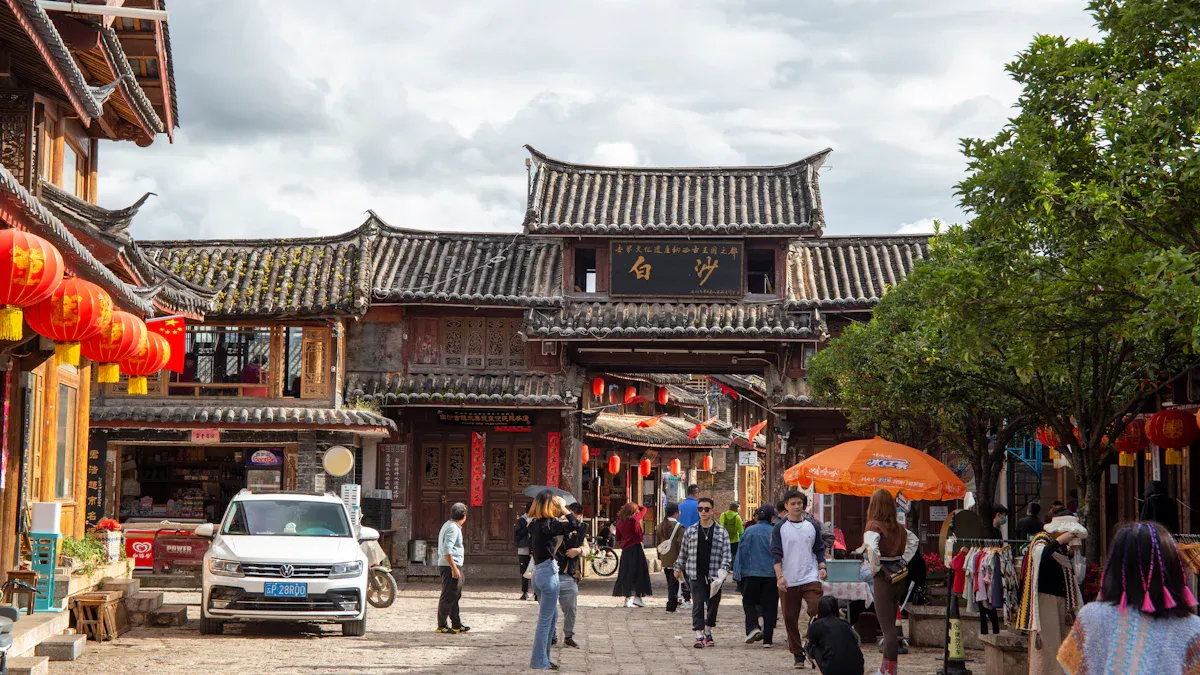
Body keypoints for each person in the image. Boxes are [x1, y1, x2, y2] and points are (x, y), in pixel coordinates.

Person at [1057, 521, 1200, 674]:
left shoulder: (1092, 617)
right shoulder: (1192, 629)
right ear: (1173, 567)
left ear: (1114, 567)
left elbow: (1071, 665)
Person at [1017, 509, 1085, 675]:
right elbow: (1040, 556)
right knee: (1048, 643)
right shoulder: (1042, 539)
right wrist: (1060, 541)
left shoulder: (1060, 546)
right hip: (1045, 599)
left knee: (1064, 641)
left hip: (1062, 599)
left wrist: (1069, 551)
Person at [861, 489, 920, 675]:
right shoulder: (899, 528)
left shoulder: (873, 526)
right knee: (890, 625)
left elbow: (872, 549)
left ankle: (891, 671)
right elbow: (914, 541)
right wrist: (903, 560)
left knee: (887, 628)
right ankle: (884, 668)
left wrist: (875, 567)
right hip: (899, 576)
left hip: (883, 578)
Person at [771, 489, 828, 669]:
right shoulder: (780, 528)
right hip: (789, 578)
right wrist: (780, 577)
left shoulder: (812, 525)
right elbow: (776, 554)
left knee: (817, 608)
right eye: (793, 504)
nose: (797, 506)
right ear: (786, 506)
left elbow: (819, 548)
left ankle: (812, 642)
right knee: (790, 617)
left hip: (810, 575)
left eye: (799, 503)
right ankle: (797, 654)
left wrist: (822, 566)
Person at [527, 491, 580, 671]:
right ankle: (538, 660)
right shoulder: (549, 525)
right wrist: (564, 508)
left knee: (552, 617)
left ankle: (545, 659)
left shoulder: (535, 523)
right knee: (545, 620)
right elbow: (575, 524)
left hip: (538, 573)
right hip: (548, 573)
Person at [674, 496, 732, 649]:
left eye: (706, 509)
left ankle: (708, 630)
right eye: (700, 509)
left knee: (713, 605)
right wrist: (677, 567)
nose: (703, 512)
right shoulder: (691, 531)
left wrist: (724, 571)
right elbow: (683, 552)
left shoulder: (721, 532)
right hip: (695, 573)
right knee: (698, 603)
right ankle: (699, 634)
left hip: (715, 575)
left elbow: (727, 555)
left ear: (712, 511)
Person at [734, 504, 779, 648]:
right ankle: (768, 640)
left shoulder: (749, 531)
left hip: (751, 574)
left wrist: (737, 574)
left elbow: (741, 553)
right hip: (772, 575)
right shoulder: (775, 532)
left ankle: (753, 627)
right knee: (770, 606)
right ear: (771, 517)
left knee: (749, 602)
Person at [552, 502, 587, 649]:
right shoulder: (553, 526)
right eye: (572, 516)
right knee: (550, 609)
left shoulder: (580, 529)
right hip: (551, 574)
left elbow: (587, 550)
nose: (574, 520)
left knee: (571, 608)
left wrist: (578, 550)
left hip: (568, 575)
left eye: (577, 518)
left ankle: (568, 636)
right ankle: (551, 636)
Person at [805, 596, 865, 675]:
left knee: (810, 646)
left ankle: (821, 672)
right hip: (857, 669)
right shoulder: (845, 624)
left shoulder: (816, 625)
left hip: (832, 669)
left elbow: (812, 641)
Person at [435, 502, 469, 634]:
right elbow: (447, 550)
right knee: (448, 595)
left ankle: (456, 623)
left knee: (454, 595)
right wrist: (454, 568)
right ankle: (442, 625)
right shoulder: (453, 528)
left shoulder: (450, 525)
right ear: (464, 516)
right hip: (449, 565)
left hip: (453, 564)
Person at [612, 501, 652, 607]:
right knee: (639, 573)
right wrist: (636, 505)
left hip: (626, 551)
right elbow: (644, 509)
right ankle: (638, 597)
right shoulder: (634, 519)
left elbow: (618, 538)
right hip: (636, 549)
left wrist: (628, 506)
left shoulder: (619, 523)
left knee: (626, 574)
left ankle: (627, 598)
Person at [979, 504, 1009, 634]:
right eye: (1004, 516)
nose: (1004, 519)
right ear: (998, 515)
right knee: (986, 600)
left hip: (994, 567)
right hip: (988, 568)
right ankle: (989, 630)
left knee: (989, 600)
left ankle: (992, 629)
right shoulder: (988, 532)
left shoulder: (997, 531)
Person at [655, 503, 687, 613]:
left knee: (670, 583)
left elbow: (657, 543)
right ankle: (671, 606)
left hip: (665, 558)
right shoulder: (679, 527)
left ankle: (672, 604)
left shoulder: (660, 526)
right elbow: (681, 544)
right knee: (674, 584)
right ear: (676, 513)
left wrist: (660, 557)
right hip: (676, 559)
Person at [514, 506, 533, 600]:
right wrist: (527, 527)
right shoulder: (522, 520)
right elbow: (517, 535)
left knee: (535, 571)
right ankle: (525, 592)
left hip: (534, 549)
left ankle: (536, 592)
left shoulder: (537, 520)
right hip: (524, 549)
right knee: (524, 571)